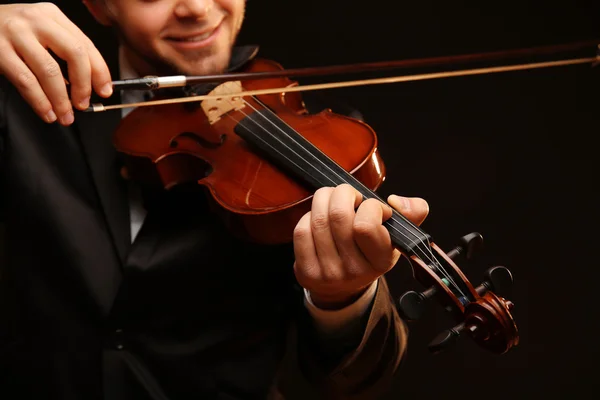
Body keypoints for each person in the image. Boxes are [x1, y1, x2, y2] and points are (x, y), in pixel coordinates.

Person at [0, 1, 430, 399]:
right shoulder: (18, 97)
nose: (197, 8)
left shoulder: (325, 144)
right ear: (99, 5)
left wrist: (343, 298)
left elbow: (358, 379)